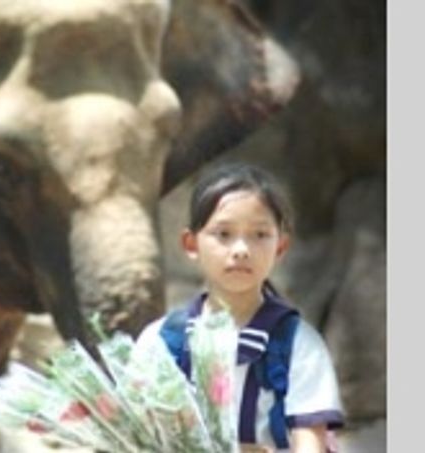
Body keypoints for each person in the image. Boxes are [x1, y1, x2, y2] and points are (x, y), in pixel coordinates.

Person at [135, 162, 344, 452]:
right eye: (223, 234)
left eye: (259, 235)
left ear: (280, 248)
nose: (241, 250)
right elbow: (137, 434)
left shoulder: (300, 345)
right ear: (191, 244)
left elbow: (309, 441)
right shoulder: (160, 341)